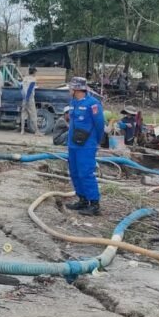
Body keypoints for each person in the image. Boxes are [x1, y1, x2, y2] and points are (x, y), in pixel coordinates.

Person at [66, 77, 103, 216]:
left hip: (87, 145)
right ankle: (82, 199)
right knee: (74, 172)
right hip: (73, 144)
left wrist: (97, 142)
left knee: (86, 173)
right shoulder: (73, 102)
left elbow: (99, 124)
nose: (69, 90)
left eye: (71, 87)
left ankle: (94, 204)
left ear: (76, 89)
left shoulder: (93, 104)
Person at [21, 66, 39, 134]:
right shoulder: (33, 79)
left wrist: (24, 98)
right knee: (33, 114)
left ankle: (22, 130)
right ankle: (37, 131)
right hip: (30, 99)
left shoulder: (25, 78)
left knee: (23, 114)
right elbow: (30, 90)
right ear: (34, 72)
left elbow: (21, 87)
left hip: (24, 98)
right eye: (35, 72)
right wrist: (27, 99)